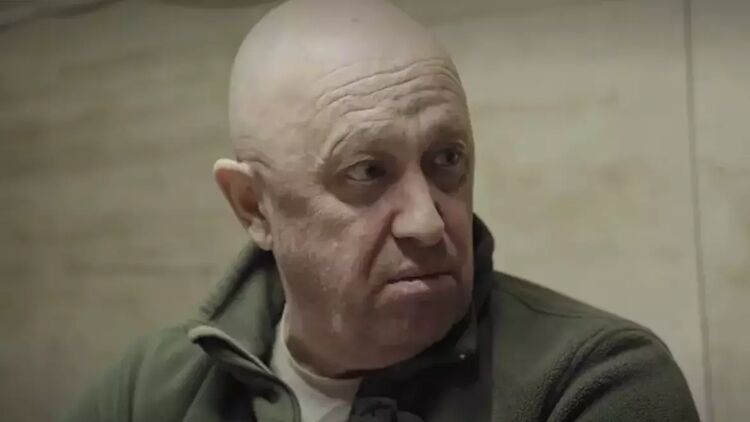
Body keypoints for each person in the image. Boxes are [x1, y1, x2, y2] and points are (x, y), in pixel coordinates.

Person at [62, 0, 700, 421]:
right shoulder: (150, 389)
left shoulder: (593, 381)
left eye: (447, 159)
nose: (428, 222)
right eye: (367, 171)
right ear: (254, 206)